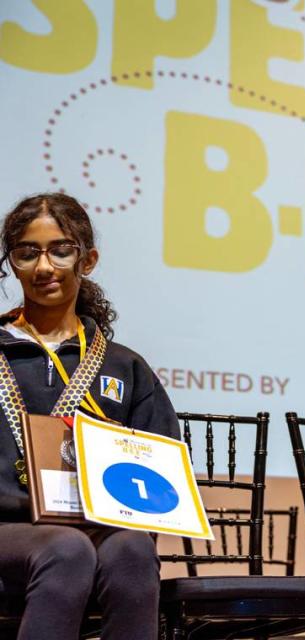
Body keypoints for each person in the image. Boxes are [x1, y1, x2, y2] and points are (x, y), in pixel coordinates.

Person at [0, 193, 180, 640]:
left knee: (134, 548)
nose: (44, 268)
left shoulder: (124, 366)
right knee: (65, 548)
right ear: (11, 263)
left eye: (61, 250)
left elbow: (161, 472)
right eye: (27, 253)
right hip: (8, 533)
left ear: (88, 259)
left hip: (96, 528)